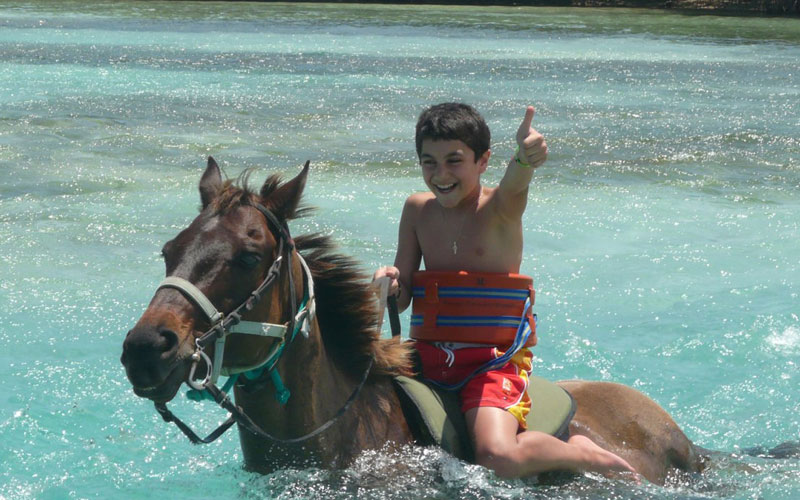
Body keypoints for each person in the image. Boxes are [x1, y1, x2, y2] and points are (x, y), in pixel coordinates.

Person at [373, 102, 636, 479]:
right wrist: (389, 284)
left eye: (454, 161)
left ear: (483, 161)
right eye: (429, 162)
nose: (441, 174)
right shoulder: (416, 210)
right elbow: (403, 298)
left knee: (497, 456)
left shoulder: (501, 207)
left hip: (491, 361)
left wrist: (526, 156)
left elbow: (517, 177)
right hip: (427, 357)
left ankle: (580, 452)